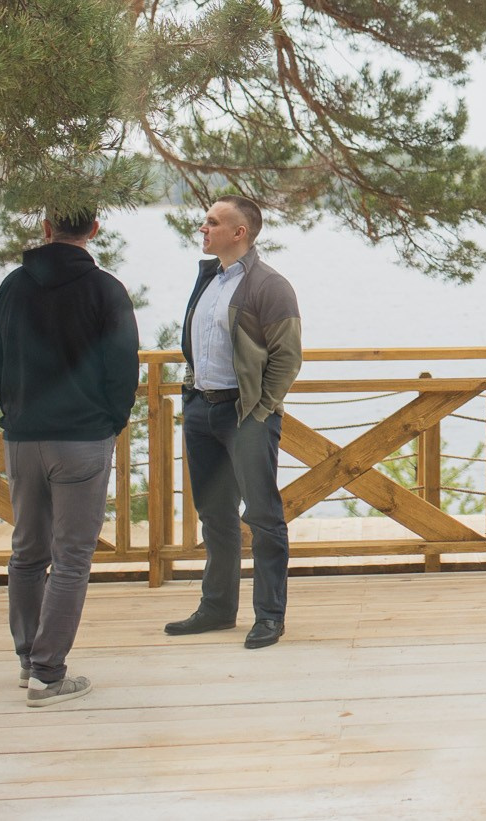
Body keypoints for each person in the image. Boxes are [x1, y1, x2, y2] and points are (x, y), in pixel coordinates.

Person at [0, 207, 140, 708]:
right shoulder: (106, 290)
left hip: (23, 436)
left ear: (46, 227)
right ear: (94, 230)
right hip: (81, 440)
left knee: (27, 551)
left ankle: (29, 659)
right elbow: (123, 370)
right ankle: (49, 676)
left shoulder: (12, 286)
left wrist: (16, 412)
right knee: (71, 558)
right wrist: (110, 422)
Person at [165, 195, 303, 649]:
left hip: (245, 415)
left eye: (212, 222)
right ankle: (218, 608)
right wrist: (191, 389)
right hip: (201, 409)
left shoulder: (269, 285)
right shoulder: (208, 278)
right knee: (215, 516)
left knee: (262, 517)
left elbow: (287, 357)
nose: (202, 229)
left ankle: (269, 616)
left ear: (239, 232)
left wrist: (261, 410)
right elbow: (199, 345)